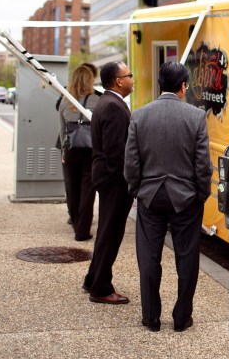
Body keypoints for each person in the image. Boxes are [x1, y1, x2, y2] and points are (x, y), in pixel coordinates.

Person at [125, 61, 212, 332]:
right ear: (183, 85)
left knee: (148, 257)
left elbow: (131, 163)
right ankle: (182, 317)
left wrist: (136, 189)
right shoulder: (196, 117)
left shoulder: (139, 116)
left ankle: (151, 318)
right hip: (186, 197)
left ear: (160, 84)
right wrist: (201, 193)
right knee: (187, 258)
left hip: (150, 197)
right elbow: (202, 164)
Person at [83, 61, 134, 305]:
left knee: (106, 230)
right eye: (129, 75)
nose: (132, 79)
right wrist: (127, 182)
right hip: (114, 181)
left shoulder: (106, 102)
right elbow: (116, 153)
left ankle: (92, 278)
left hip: (105, 177)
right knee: (110, 233)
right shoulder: (114, 106)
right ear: (118, 81)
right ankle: (101, 287)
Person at [58, 63, 100, 241]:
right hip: (90, 151)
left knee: (71, 189)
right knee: (87, 190)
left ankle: (76, 223)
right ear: (90, 80)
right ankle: (82, 231)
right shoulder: (97, 100)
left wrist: (63, 152)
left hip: (70, 149)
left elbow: (62, 130)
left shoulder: (64, 101)